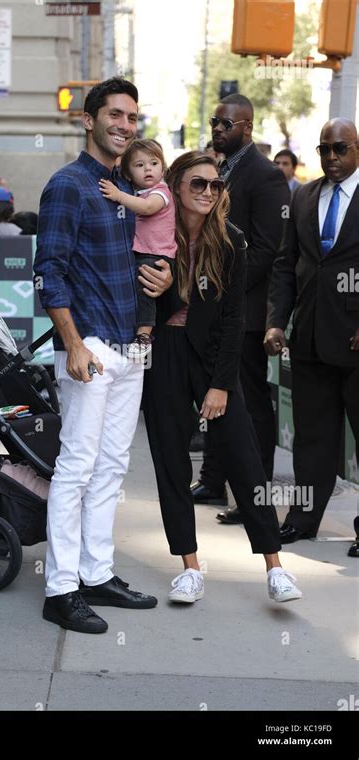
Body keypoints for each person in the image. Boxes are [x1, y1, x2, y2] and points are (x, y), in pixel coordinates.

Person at [33, 78, 173, 634]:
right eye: (115, 114)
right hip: (89, 346)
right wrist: (71, 343)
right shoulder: (68, 185)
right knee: (76, 468)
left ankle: (97, 573)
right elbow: (50, 270)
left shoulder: (125, 188)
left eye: (133, 118)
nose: (125, 125)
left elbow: (149, 253)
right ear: (88, 120)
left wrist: (161, 285)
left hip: (129, 349)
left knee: (112, 467)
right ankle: (60, 588)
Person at [143, 151, 302, 604]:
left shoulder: (231, 240)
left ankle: (275, 566)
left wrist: (220, 383)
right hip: (165, 355)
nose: (209, 192)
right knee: (170, 461)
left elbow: (234, 320)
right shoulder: (152, 234)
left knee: (244, 458)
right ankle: (190, 567)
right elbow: (147, 304)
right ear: (175, 187)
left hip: (213, 355)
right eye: (198, 184)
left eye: (216, 185)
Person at [191, 94, 290, 525]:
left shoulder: (266, 176)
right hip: (215, 307)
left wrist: (226, 287)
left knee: (250, 405)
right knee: (215, 395)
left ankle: (255, 494)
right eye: (215, 121)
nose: (217, 129)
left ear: (246, 127)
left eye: (225, 124)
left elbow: (269, 249)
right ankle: (213, 480)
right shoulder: (219, 169)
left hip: (246, 311)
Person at [265, 118, 359, 548]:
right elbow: (287, 265)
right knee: (311, 439)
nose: (332, 158)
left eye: (340, 149)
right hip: (309, 341)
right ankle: (303, 520)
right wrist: (275, 321)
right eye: (325, 150)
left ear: (356, 149)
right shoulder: (303, 195)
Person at [99, 138, 176, 358]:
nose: (148, 169)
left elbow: (147, 207)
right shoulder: (137, 192)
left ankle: (144, 335)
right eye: (139, 165)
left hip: (158, 254)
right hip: (142, 252)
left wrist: (118, 195)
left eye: (153, 163)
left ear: (163, 167)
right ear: (129, 173)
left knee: (144, 289)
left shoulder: (161, 192)